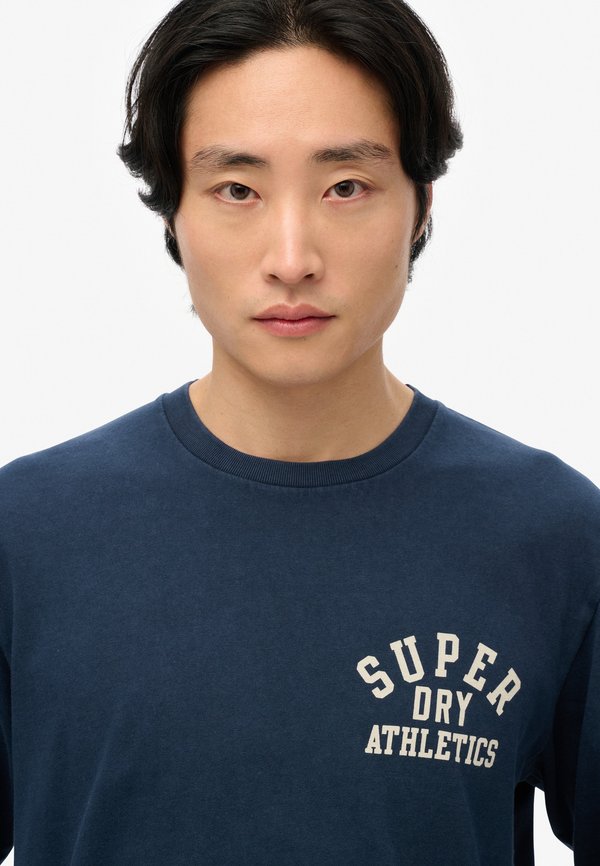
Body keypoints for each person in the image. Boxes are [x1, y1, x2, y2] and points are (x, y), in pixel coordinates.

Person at [0, 0, 598, 863]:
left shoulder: (555, 538)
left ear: (421, 204)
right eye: (237, 189)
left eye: (345, 187)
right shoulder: (25, 535)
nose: (292, 258)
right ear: (171, 211)